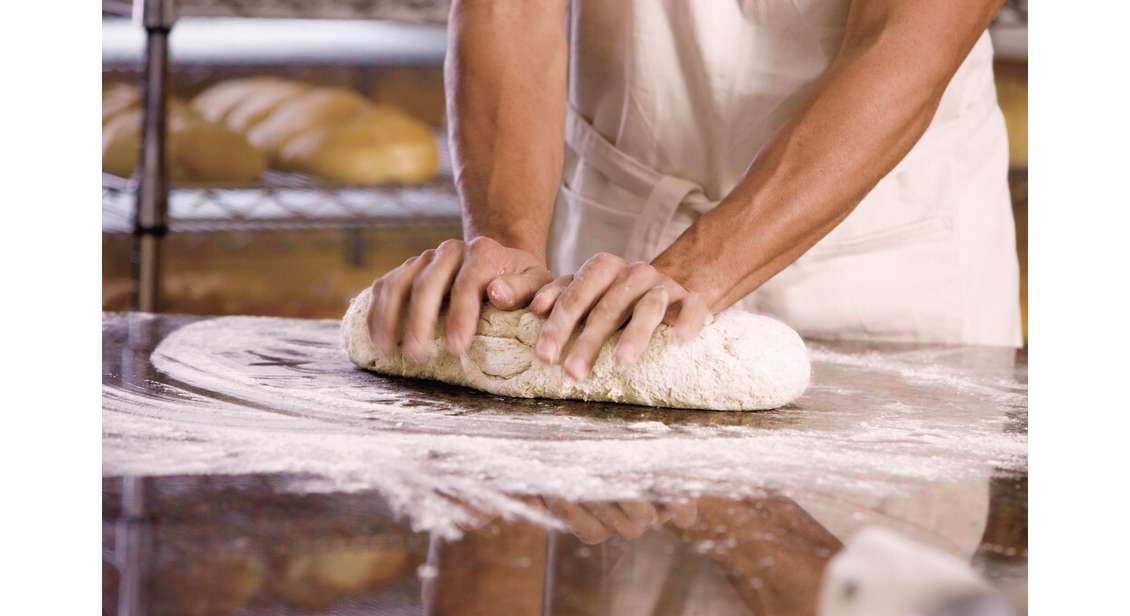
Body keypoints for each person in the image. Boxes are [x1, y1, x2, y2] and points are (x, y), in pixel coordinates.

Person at [367, 0, 1021, 381]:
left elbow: (903, 40)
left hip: (882, 258)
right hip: (611, 255)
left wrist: (695, 272)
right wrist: (506, 237)